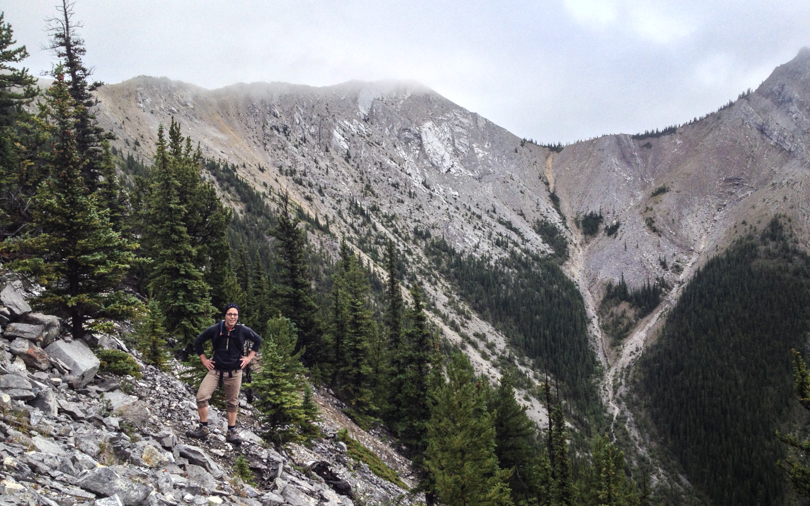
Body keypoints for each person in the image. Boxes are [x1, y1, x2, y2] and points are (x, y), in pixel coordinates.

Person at [186, 303, 262, 443]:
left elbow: (258, 340)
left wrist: (249, 358)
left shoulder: (242, 330)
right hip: (215, 370)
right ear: (225, 315)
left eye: (235, 314)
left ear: (238, 316)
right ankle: (203, 428)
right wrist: (204, 360)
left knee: (232, 402)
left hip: (235, 372)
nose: (232, 317)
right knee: (202, 396)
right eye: (230, 314)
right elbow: (198, 342)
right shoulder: (215, 329)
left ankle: (231, 431)